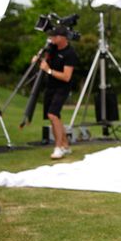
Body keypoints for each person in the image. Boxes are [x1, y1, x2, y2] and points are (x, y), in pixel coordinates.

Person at [37, 26, 79, 160]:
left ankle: (58, 147)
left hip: (63, 87)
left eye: (55, 36)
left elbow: (67, 76)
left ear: (63, 37)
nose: (52, 38)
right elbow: (43, 58)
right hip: (50, 86)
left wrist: (48, 71)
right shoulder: (52, 48)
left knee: (53, 114)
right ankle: (65, 145)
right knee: (55, 117)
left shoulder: (70, 53)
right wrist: (37, 59)